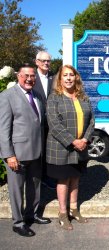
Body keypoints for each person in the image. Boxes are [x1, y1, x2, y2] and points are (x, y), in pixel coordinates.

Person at [0, 64, 51, 237]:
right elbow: (3, 129)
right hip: (17, 154)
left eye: (32, 76)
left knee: (34, 186)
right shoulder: (7, 96)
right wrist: (8, 155)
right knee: (16, 189)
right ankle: (18, 222)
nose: (29, 79)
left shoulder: (36, 95)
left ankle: (32, 214)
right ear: (18, 76)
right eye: (25, 76)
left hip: (37, 151)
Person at [46, 64, 95, 230]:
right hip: (62, 147)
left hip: (81, 147)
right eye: (65, 75)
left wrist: (85, 140)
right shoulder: (54, 97)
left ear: (76, 78)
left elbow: (92, 121)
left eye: (71, 75)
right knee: (64, 179)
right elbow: (54, 124)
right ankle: (62, 213)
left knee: (75, 178)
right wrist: (74, 141)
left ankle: (74, 209)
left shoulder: (83, 97)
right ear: (60, 79)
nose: (68, 78)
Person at [34, 51, 56, 190]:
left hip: (52, 123)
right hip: (35, 122)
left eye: (48, 61)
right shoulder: (31, 77)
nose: (46, 63)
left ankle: (47, 177)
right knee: (37, 150)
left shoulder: (54, 78)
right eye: (43, 61)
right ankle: (37, 177)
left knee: (49, 150)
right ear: (36, 62)